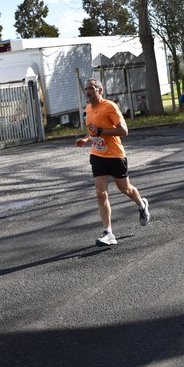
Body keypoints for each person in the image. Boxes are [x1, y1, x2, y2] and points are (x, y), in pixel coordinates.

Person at [75, 77, 150, 247]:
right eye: (86, 89)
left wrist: (101, 131)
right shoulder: (88, 108)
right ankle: (108, 232)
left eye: (91, 88)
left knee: (125, 189)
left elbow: (124, 131)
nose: (87, 92)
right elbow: (92, 131)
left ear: (99, 90)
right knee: (100, 193)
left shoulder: (110, 107)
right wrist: (86, 139)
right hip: (97, 155)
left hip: (115, 155)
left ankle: (141, 204)